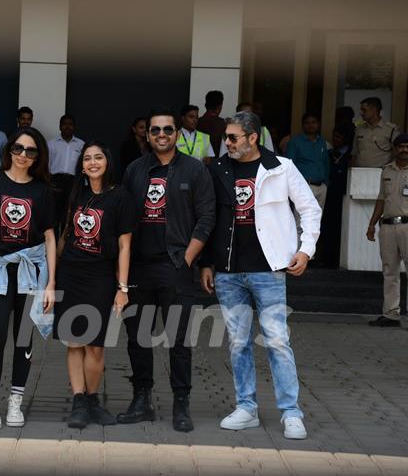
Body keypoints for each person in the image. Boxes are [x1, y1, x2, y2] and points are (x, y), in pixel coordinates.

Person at [199, 111, 321, 440]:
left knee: (277, 341)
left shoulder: (280, 167)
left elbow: (309, 208)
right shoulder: (218, 169)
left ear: (253, 137)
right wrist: (207, 263)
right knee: (238, 342)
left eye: (233, 137)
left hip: (269, 269)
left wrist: (304, 250)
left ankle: (291, 413)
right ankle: (246, 408)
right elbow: (208, 218)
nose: (227, 142)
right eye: (226, 137)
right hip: (228, 271)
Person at [119, 107, 216, 432]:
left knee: (178, 339)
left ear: (177, 135)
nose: (161, 135)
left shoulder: (194, 170)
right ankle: (141, 399)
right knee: (138, 337)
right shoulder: (134, 169)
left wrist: (188, 258)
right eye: (155, 130)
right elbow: (122, 219)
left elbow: (207, 217)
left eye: (167, 130)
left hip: (176, 266)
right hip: (139, 269)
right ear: (147, 135)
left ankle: (181, 403)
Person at [0, 127, 56, 430]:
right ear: (9, 150)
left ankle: (15, 402)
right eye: (19, 149)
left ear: (37, 156)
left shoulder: (43, 190)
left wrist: (50, 284)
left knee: (23, 338)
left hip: (30, 272)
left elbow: (49, 238)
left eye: (30, 151)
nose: (23, 155)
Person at [54, 141, 135, 429]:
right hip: (70, 274)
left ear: (107, 161)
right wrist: (51, 279)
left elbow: (125, 246)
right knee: (74, 341)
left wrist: (122, 288)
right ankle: (79, 401)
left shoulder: (120, 197)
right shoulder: (75, 192)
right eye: (87, 158)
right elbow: (64, 234)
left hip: (101, 277)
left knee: (96, 345)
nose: (92, 162)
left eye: (98, 157)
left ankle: (92, 400)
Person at [366, 133, 408, 328]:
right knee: (389, 271)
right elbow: (381, 199)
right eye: (400, 146)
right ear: (395, 148)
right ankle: (391, 314)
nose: (404, 150)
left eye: (407, 146)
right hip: (388, 226)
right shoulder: (387, 170)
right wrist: (371, 224)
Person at [321, 125, 354, 268]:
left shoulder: (350, 156)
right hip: (328, 195)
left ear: (346, 139)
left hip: (343, 196)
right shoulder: (329, 153)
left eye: (339, 137)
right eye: (334, 136)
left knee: (340, 227)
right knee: (326, 226)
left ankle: (336, 259)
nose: (335, 139)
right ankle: (325, 258)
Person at [286, 112, 330, 210]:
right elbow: (289, 166)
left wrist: (325, 183)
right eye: (307, 123)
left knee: (317, 220)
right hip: (304, 186)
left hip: (321, 186)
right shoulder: (295, 142)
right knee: (301, 220)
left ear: (318, 124)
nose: (311, 125)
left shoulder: (321, 141)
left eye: (313, 122)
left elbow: (326, 162)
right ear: (303, 125)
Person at [48, 115, 85, 234]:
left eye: (70, 124)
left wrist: (83, 184)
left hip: (73, 182)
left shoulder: (81, 145)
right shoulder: (51, 144)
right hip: (55, 181)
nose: (67, 126)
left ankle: (64, 247)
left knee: (69, 214)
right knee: (53, 215)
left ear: (74, 127)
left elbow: (83, 166)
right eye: (64, 124)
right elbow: (46, 165)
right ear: (60, 126)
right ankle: (52, 246)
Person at [351, 97, 399, 168]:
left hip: (381, 172)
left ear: (374, 110)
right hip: (360, 171)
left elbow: (397, 153)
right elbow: (354, 153)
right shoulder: (359, 129)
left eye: (364, 110)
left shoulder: (391, 129)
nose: (361, 113)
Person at [197, 90, 226, 157]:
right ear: (220, 106)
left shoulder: (196, 122)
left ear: (205, 105)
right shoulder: (222, 124)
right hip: (217, 163)